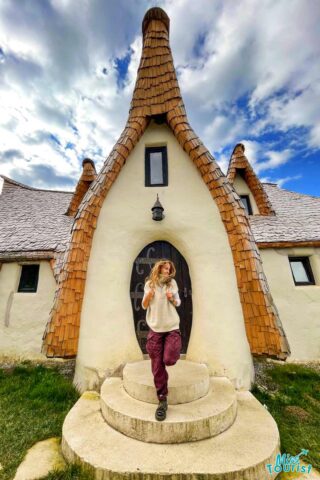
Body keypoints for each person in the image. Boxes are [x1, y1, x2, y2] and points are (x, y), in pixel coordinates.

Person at [141, 258, 182, 421]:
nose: (167, 271)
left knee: (169, 359)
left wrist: (172, 298)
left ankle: (170, 352)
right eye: (164, 268)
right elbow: (144, 305)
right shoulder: (149, 285)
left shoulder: (172, 284)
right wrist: (149, 296)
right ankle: (162, 400)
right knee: (157, 368)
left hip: (171, 326)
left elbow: (178, 303)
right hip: (155, 329)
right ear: (158, 269)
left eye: (169, 269)